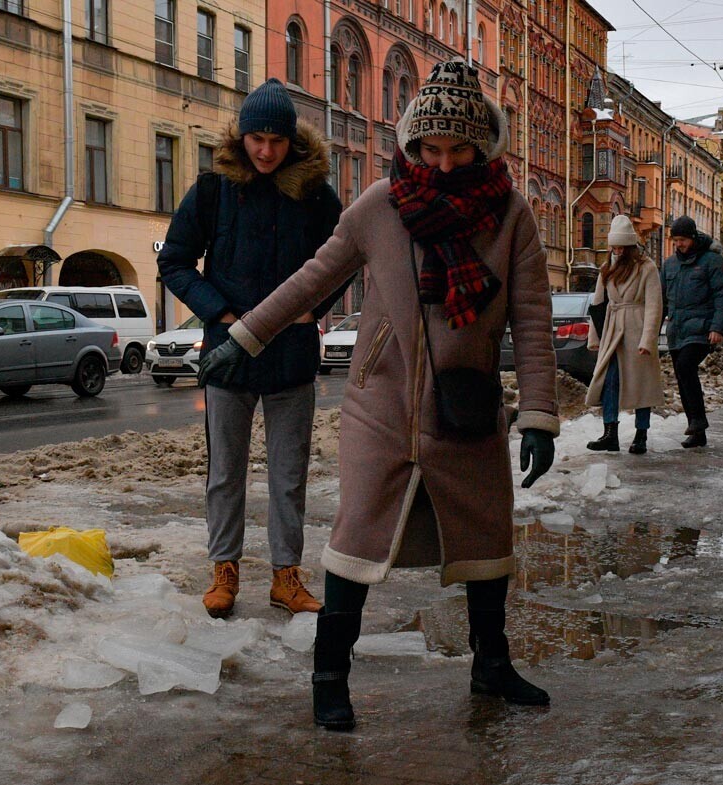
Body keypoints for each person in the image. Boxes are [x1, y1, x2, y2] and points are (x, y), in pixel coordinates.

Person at [199, 60, 559, 729]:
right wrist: (243, 338)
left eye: (459, 150)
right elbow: (311, 280)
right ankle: (329, 675)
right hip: (381, 405)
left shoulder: (511, 216)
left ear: (486, 146)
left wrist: (538, 415)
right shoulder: (381, 205)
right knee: (355, 540)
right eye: (430, 149)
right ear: (411, 144)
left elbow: (532, 320)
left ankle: (492, 664)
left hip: (468, 404)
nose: (444, 164)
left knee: (485, 536)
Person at [157, 78, 343, 619]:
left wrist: (316, 306)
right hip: (229, 356)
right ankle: (224, 572)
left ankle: (287, 577)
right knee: (225, 474)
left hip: (291, 357)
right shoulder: (214, 188)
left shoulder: (312, 193)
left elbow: (346, 256)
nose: (265, 150)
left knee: (289, 475)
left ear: (291, 142)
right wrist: (222, 314)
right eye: (256, 139)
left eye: (276, 140)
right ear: (242, 138)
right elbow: (174, 261)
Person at [584, 216, 664, 455]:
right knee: (609, 381)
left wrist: (648, 339)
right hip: (612, 326)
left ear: (630, 246)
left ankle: (641, 434)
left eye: (621, 246)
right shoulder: (606, 267)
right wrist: (594, 337)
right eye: (614, 246)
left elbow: (654, 306)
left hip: (636, 327)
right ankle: (610, 433)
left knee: (641, 384)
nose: (617, 250)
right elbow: (598, 304)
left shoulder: (646, 267)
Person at [661, 215, 723, 448]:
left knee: (685, 366)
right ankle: (697, 432)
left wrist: (717, 328)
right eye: (676, 240)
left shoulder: (711, 261)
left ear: (692, 237)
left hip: (701, 329)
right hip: (677, 330)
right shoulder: (669, 265)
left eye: (683, 239)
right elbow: (662, 300)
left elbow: (722, 296)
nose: (679, 244)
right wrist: (651, 330)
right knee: (681, 376)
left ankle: (698, 420)